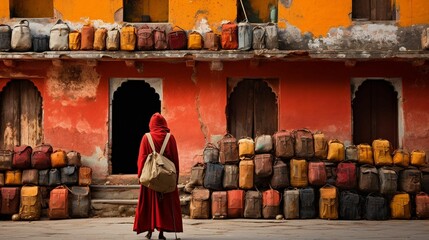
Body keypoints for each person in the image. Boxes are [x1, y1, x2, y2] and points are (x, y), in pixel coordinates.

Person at [133, 113, 183, 239]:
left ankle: (149, 231)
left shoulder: (146, 138)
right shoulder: (170, 138)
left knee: (150, 205)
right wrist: (175, 179)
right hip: (166, 178)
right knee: (164, 206)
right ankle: (162, 233)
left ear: (151, 124)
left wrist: (140, 176)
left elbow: (142, 159)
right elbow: (175, 160)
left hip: (150, 177)